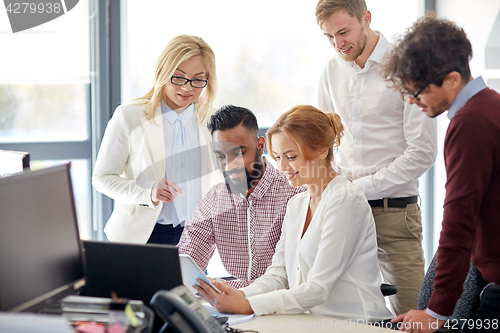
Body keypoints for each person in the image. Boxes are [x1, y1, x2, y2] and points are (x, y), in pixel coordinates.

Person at [194, 105, 393, 322]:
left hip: (355, 322)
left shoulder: (345, 198)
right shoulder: (297, 203)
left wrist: (248, 305)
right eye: (278, 157)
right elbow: (278, 276)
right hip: (312, 321)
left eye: (291, 156)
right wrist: (238, 295)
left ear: (321, 150)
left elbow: (318, 289)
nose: (282, 167)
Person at [315, 0, 437, 315]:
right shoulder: (331, 69)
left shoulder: (409, 66)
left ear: (366, 18)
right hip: (343, 211)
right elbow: (324, 141)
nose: (338, 44)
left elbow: (423, 152)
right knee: (339, 313)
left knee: (411, 313)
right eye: (329, 37)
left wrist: (361, 187)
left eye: (344, 32)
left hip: (395, 214)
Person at [381, 14, 500, 333]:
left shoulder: (470, 123)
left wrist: (436, 312)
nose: (412, 100)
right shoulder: (491, 106)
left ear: (451, 79)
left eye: (418, 90)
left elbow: (458, 221)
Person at [92, 35, 219, 245]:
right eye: (178, 77)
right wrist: (148, 192)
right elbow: (102, 178)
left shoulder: (213, 120)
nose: (187, 88)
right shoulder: (129, 116)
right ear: (162, 73)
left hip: (195, 237)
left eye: (197, 80)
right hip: (143, 236)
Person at [177, 105, 305, 288]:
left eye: (239, 153)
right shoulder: (214, 200)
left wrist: (229, 291)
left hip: (283, 304)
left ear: (260, 146)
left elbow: (295, 280)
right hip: (235, 305)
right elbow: (186, 262)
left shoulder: (295, 193)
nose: (229, 165)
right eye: (220, 156)